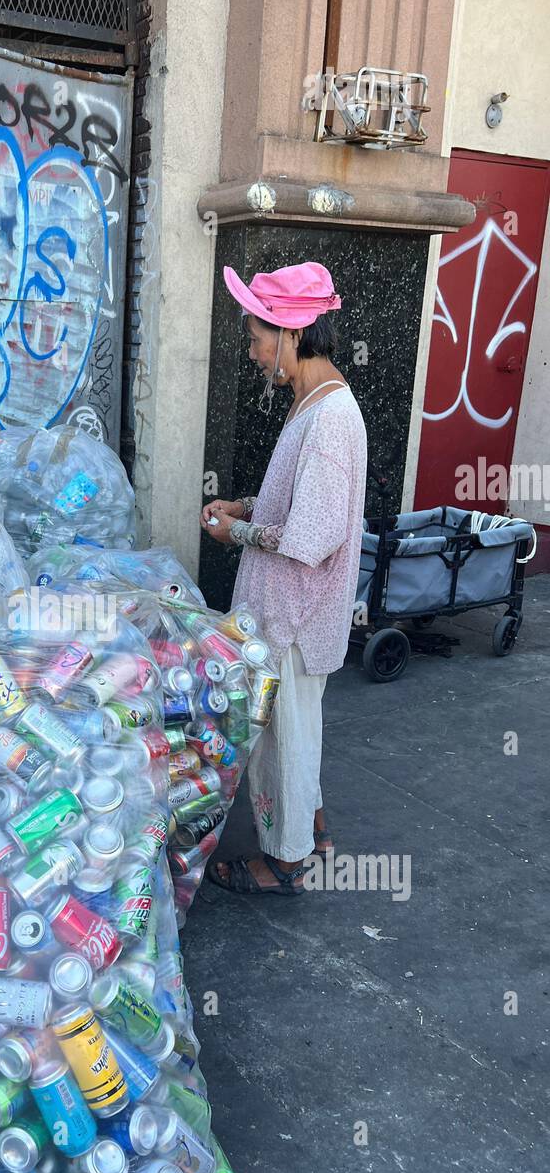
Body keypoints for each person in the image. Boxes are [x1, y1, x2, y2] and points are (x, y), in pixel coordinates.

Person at [201, 261, 367, 896]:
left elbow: (309, 537)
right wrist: (245, 506)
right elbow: (298, 505)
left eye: (254, 337)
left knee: (282, 737)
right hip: (291, 611)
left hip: (295, 616)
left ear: (290, 332)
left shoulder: (327, 420)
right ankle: (314, 828)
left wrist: (233, 532)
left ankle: (288, 861)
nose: (251, 352)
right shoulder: (314, 401)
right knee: (296, 729)